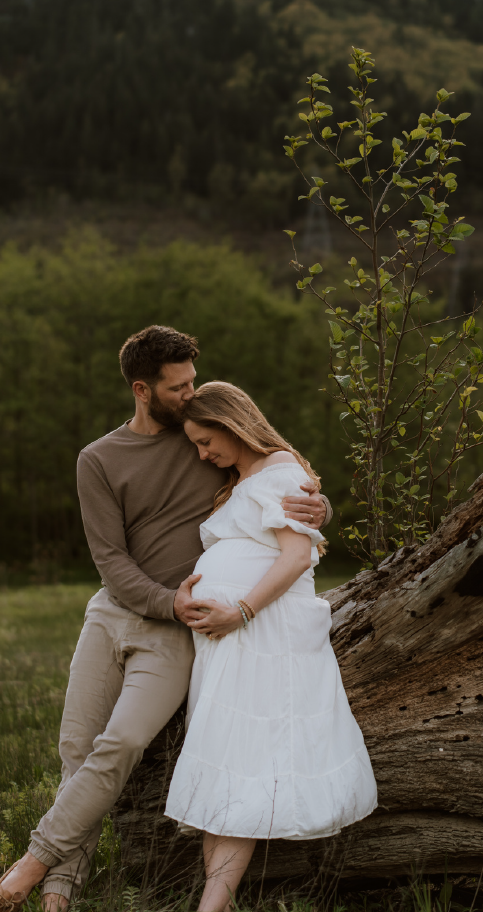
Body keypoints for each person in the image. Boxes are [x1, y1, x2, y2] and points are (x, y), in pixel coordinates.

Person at [0, 326, 331, 911]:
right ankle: (59, 895)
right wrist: (165, 599)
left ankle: (27, 870)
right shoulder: (99, 458)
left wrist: (319, 505)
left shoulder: (207, 438)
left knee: (120, 743)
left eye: (194, 382)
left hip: (176, 631)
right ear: (142, 389)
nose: (192, 395)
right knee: (76, 751)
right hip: (112, 614)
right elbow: (110, 559)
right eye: (178, 387)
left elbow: (272, 478)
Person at [164, 381, 377, 912]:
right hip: (232, 642)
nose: (202, 454)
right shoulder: (245, 479)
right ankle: (217, 904)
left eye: (205, 441)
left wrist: (239, 610)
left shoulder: (280, 471)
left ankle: (211, 906)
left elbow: (296, 557)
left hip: (263, 637)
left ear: (231, 425)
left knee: (245, 765)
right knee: (226, 766)